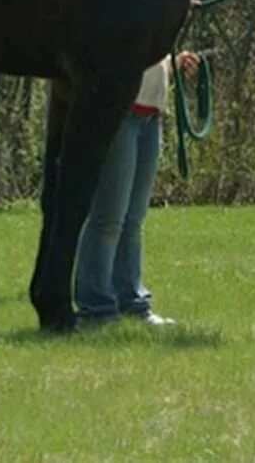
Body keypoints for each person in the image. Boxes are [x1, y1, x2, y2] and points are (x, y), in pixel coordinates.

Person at [75, 50, 200, 326]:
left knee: (133, 220)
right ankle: (96, 308)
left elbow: (151, 63)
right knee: (109, 218)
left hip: (150, 116)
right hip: (120, 113)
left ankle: (131, 302)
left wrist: (172, 66)